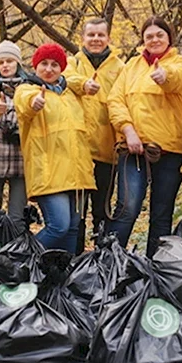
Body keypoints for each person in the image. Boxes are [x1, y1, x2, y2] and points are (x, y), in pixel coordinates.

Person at [107, 16, 182, 256]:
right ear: (143, 40)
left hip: (170, 151)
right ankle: (110, 262)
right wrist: (127, 129)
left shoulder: (179, 62)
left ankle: (156, 269)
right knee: (128, 208)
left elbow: (176, 78)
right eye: (149, 36)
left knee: (161, 213)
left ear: (169, 38)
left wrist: (164, 76)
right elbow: (115, 100)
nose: (154, 40)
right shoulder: (131, 66)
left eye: (159, 35)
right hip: (133, 148)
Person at [15, 43, 93, 252]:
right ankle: (18, 259)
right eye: (44, 64)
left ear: (62, 69)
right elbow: (24, 103)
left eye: (54, 65)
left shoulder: (70, 94)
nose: (49, 69)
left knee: (73, 229)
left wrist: (83, 83)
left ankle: (62, 275)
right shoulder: (27, 89)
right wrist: (34, 104)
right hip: (49, 174)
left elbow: (74, 81)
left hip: (77, 173)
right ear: (35, 66)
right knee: (59, 226)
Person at [64, 17, 126, 251]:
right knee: (78, 211)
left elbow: (124, 99)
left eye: (101, 35)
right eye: (91, 35)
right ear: (83, 38)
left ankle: (102, 255)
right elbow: (64, 79)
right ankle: (75, 256)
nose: (96, 39)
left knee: (103, 209)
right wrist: (83, 85)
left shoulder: (120, 67)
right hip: (78, 152)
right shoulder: (73, 63)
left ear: (108, 38)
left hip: (107, 151)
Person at [0, 40, 32, 232]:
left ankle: (15, 257)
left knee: (17, 220)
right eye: (1, 62)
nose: (5, 66)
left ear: (18, 63)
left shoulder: (30, 87)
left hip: (22, 163)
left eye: (10, 61)